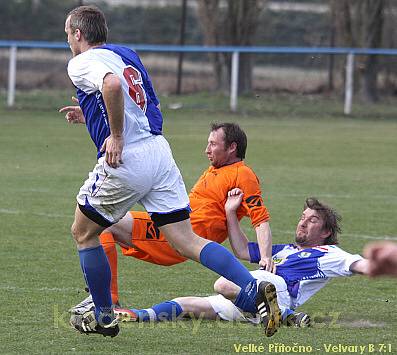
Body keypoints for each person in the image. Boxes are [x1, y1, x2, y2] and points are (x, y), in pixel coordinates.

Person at [60, 5, 275, 337]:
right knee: (187, 240)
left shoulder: (81, 62)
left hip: (127, 158)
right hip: (158, 152)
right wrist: (89, 113)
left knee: (83, 232)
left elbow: (113, 87)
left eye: (67, 35)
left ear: (78, 34)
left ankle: (103, 314)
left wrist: (116, 137)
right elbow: (134, 98)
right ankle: (251, 288)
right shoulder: (125, 53)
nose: (68, 42)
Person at [70, 122, 273, 307]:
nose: (207, 150)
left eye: (213, 144)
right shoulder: (217, 169)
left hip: (179, 234)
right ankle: (262, 305)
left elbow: (260, 220)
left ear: (232, 147)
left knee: (104, 224)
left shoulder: (243, 175)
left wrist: (265, 257)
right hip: (174, 225)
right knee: (102, 224)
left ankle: (108, 301)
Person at [113, 193, 371, 335]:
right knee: (186, 304)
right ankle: (139, 315)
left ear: (326, 232)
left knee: (224, 282)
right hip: (253, 298)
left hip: (276, 291)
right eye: (302, 217)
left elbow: (358, 265)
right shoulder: (284, 250)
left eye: (312, 220)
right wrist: (229, 213)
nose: (302, 223)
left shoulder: (328, 252)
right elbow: (242, 250)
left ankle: (285, 313)